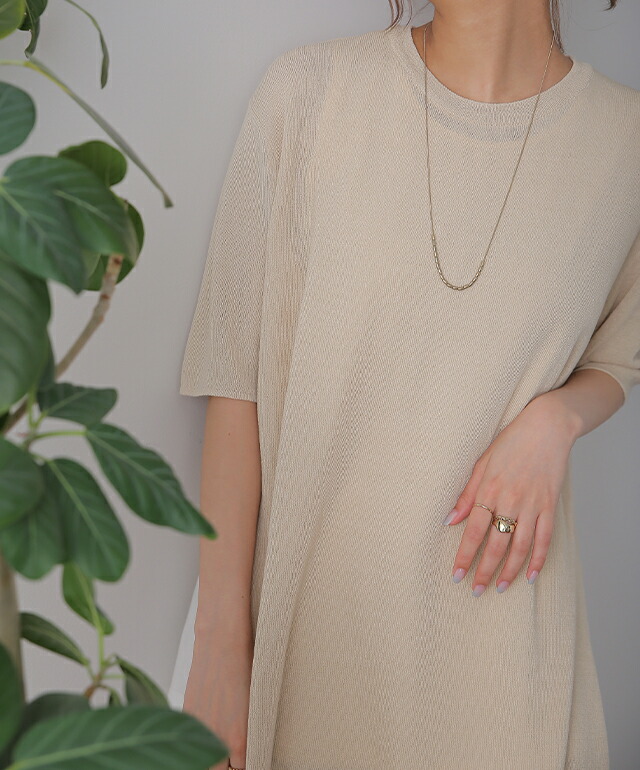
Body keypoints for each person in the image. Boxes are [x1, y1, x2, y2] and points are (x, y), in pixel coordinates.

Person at [176, 1, 639, 768]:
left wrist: (557, 418)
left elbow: (620, 356)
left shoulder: (624, 141)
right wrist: (219, 646)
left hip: (508, 673)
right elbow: (235, 377)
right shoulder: (310, 93)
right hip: (317, 662)